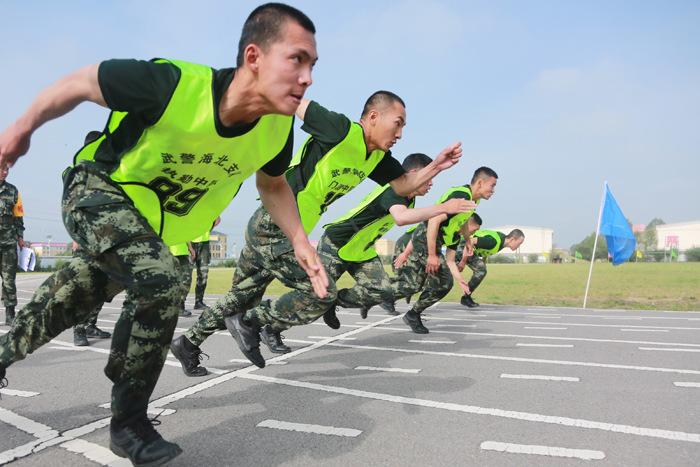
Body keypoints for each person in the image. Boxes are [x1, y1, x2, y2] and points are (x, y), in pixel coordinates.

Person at [0, 4, 324, 465]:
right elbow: (80, 82)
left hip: (150, 228)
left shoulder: (276, 128)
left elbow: (272, 185)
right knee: (162, 279)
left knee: (59, 305)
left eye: (313, 65)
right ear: (254, 56)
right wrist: (21, 129)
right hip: (98, 190)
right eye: (298, 59)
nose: (308, 77)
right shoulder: (173, 85)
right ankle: (129, 421)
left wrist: (299, 240)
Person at [172, 92, 463, 373]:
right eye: (397, 123)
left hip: (281, 228)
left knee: (240, 297)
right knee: (321, 291)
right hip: (273, 227)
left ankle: (187, 343)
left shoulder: (376, 158)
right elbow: (295, 101)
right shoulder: (340, 130)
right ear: (373, 116)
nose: (400, 133)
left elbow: (404, 186)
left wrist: (437, 166)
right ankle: (249, 323)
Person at [320, 153, 475, 320]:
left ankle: (334, 302)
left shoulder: (410, 198)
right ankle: (316, 307)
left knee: (383, 291)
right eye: (429, 176)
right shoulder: (394, 190)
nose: (431, 183)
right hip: (338, 241)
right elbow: (401, 218)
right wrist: (444, 207)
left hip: (361, 248)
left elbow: (414, 223)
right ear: (414, 173)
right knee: (314, 296)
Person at [382, 166, 499, 333]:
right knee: (443, 282)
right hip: (427, 238)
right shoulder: (462, 195)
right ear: (480, 183)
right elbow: (433, 220)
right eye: (492, 185)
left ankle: (387, 299)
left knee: (414, 284)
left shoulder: (472, 201)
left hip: (433, 240)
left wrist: (467, 240)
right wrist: (431, 255)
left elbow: (463, 221)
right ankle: (408, 312)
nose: (493, 190)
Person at [457, 228, 525, 307]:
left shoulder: (502, 241)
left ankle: (466, 297)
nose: (519, 246)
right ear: (512, 239)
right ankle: (465, 297)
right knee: (481, 270)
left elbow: (486, 250)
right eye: (519, 243)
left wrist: (483, 260)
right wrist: (463, 261)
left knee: (481, 269)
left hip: (468, 248)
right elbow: (471, 241)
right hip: (462, 245)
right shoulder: (493, 242)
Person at [0, 165, 24, 326]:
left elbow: (18, 216)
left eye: (6, 170)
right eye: (1, 169)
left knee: (9, 280)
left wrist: (20, 237)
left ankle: (10, 314)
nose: (4, 172)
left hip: (8, 243)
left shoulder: (13, 191)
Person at [191, 217, 220, 310]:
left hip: (204, 243)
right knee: (185, 276)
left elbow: (217, 220)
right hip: (189, 242)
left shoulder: (206, 207)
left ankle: (199, 302)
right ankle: (180, 305)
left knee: (203, 275)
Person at [170, 243, 195, 317]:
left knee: (186, 280)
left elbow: (185, 233)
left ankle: (180, 306)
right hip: (168, 252)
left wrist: (190, 247)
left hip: (182, 252)